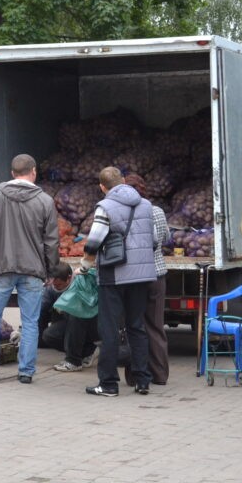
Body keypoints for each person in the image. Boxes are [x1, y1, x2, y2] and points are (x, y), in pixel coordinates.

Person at [0, 153, 59, 384]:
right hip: (32, 270)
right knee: (30, 322)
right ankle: (26, 371)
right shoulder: (45, 201)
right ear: (34, 172)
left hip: (0, 267)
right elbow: (51, 240)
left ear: (12, 173)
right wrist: (50, 271)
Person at [80, 167, 157, 397]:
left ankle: (109, 384)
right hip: (142, 275)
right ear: (123, 181)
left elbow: (93, 242)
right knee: (137, 327)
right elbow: (154, 238)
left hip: (114, 274)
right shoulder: (145, 205)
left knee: (110, 329)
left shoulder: (105, 207)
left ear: (102, 187)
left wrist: (84, 267)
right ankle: (142, 380)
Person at [123, 174, 170, 386]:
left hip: (134, 276)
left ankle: (135, 375)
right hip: (157, 275)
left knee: (134, 326)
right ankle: (160, 375)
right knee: (156, 326)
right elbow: (165, 238)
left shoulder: (122, 212)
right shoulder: (157, 211)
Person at [38, 262, 74, 349]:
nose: (56, 287)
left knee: (50, 335)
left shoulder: (77, 284)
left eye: (59, 285)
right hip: (56, 313)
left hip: (73, 317)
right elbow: (42, 307)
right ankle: (41, 342)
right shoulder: (51, 287)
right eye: (54, 285)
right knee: (39, 313)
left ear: (69, 278)